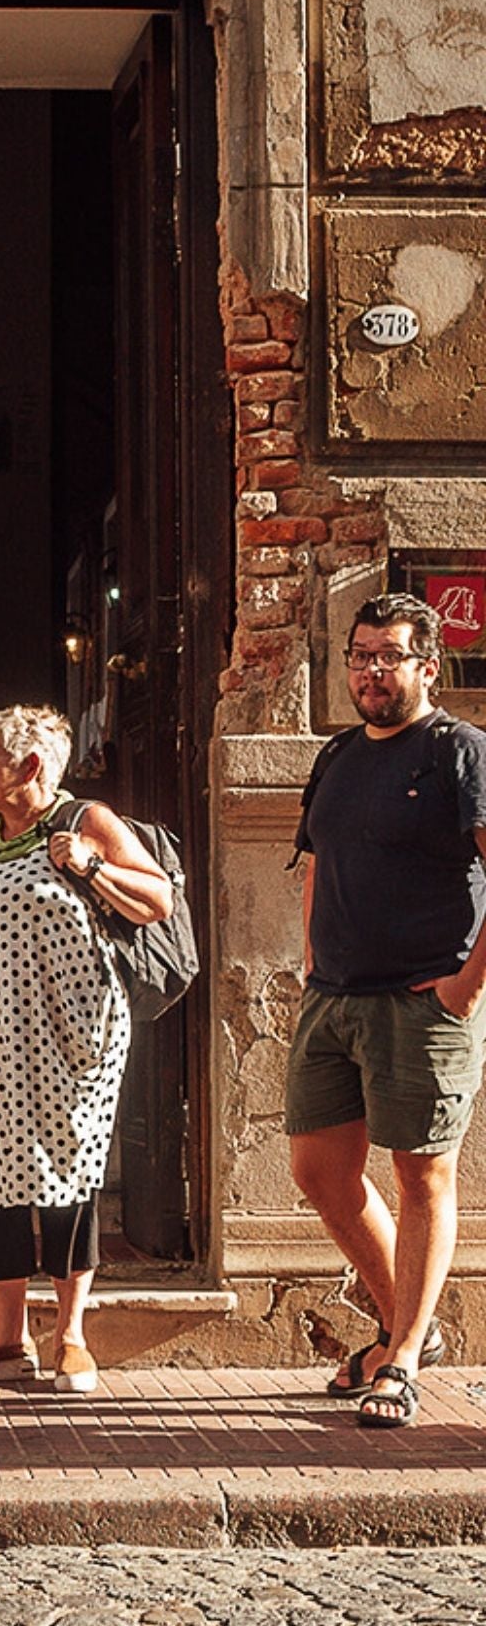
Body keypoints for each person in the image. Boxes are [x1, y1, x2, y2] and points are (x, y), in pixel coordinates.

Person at [0, 705, 171, 1395]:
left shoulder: (86, 823)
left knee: (68, 1170)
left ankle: (71, 1336)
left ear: (28, 767)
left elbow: (158, 900)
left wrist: (88, 866)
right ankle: (6, 1338)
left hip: (72, 1038)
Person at [288, 592, 486, 1431]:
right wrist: (308, 960)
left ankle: (399, 1360)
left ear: (427, 667)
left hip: (422, 996)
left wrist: (467, 987)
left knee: (419, 1175)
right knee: (317, 1172)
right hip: (333, 995)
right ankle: (410, 1323)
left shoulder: (460, 752)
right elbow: (315, 862)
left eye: (390, 656)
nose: (371, 670)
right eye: (360, 655)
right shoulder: (337, 754)